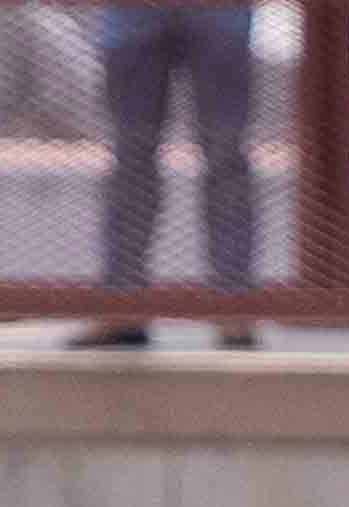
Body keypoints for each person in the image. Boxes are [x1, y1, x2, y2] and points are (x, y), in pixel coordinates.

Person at [76, 4, 261, 349]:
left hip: (220, 11)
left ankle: (234, 305)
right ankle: (122, 302)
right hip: (133, 12)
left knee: (225, 152)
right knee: (130, 154)